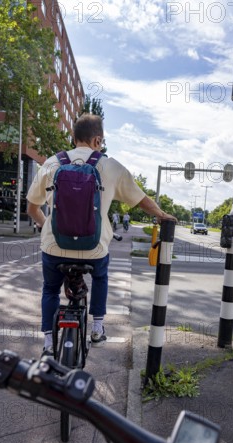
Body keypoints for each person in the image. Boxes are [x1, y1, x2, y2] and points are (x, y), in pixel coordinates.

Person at [27, 113, 176, 354]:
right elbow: (141, 200)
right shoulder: (111, 166)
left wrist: (47, 227)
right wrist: (162, 215)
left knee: (50, 289)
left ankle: (47, 343)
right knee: (100, 275)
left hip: (54, 248)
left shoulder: (51, 163)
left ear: (73, 137)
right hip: (93, 249)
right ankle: (97, 326)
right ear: (98, 140)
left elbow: (32, 207)